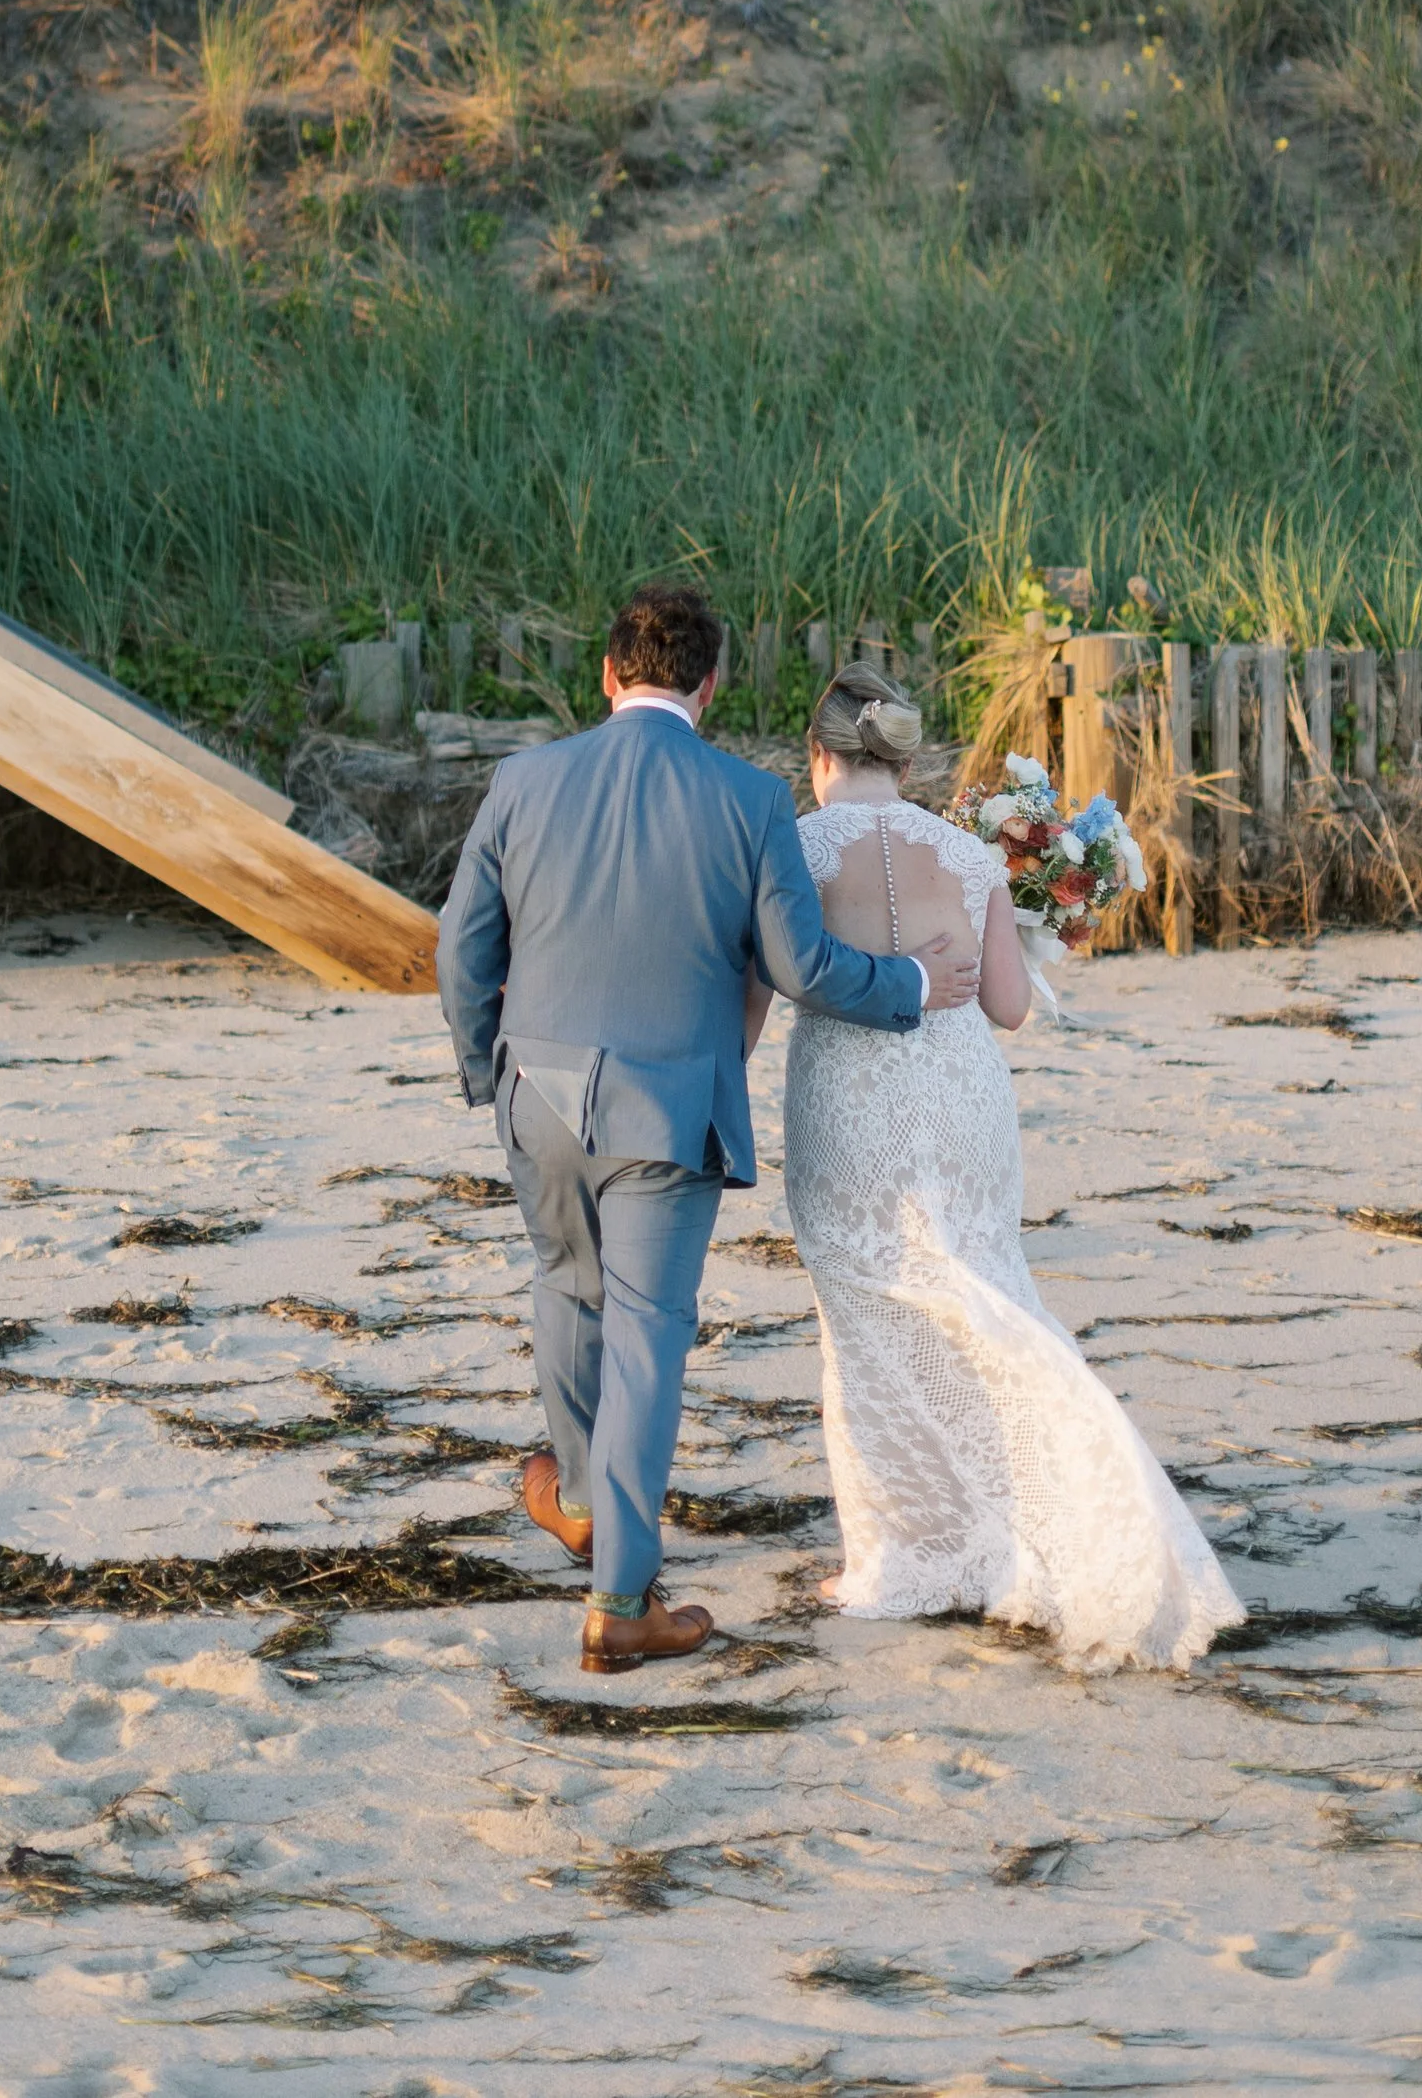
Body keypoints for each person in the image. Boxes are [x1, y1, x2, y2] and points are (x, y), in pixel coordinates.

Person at [435, 584, 980, 1673]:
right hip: (666, 1104)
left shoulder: (522, 779)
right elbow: (801, 968)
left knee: (562, 1287)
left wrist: (481, 1072)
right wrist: (914, 983)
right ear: (710, 683)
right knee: (644, 1333)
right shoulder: (744, 797)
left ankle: (588, 1503)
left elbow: (462, 949)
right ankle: (622, 1599)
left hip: (531, 1092)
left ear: (606, 674)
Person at [761, 658, 1243, 1669]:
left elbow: (767, 989)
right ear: (905, 758)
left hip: (851, 1100)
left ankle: (899, 1559)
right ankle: (1007, 1541)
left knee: (869, 1317)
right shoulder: (970, 856)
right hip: (963, 1101)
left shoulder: (793, 849)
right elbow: (1009, 1008)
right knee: (987, 1292)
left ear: (817, 757)